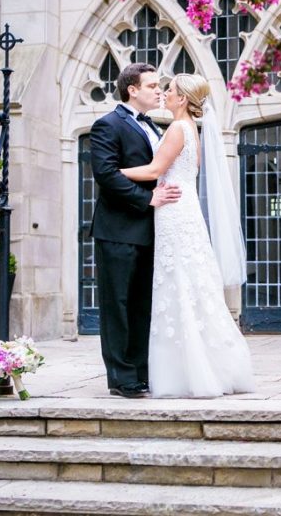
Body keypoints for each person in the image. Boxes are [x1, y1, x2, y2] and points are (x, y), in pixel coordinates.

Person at [120, 73, 255, 398]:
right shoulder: (192, 131)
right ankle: (209, 366)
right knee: (193, 285)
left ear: (182, 99)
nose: (164, 94)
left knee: (177, 284)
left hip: (173, 213)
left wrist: (113, 172)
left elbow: (153, 171)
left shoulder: (177, 129)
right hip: (186, 211)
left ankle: (187, 373)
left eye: (170, 90)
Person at [90, 62, 182, 399]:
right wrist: (148, 199)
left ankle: (141, 372)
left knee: (143, 305)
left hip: (151, 231)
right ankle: (121, 378)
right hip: (118, 230)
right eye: (152, 85)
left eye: (160, 86)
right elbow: (106, 174)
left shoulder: (154, 127)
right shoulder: (107, 125)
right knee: (118, 305)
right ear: (132, 89)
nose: (159, 91)